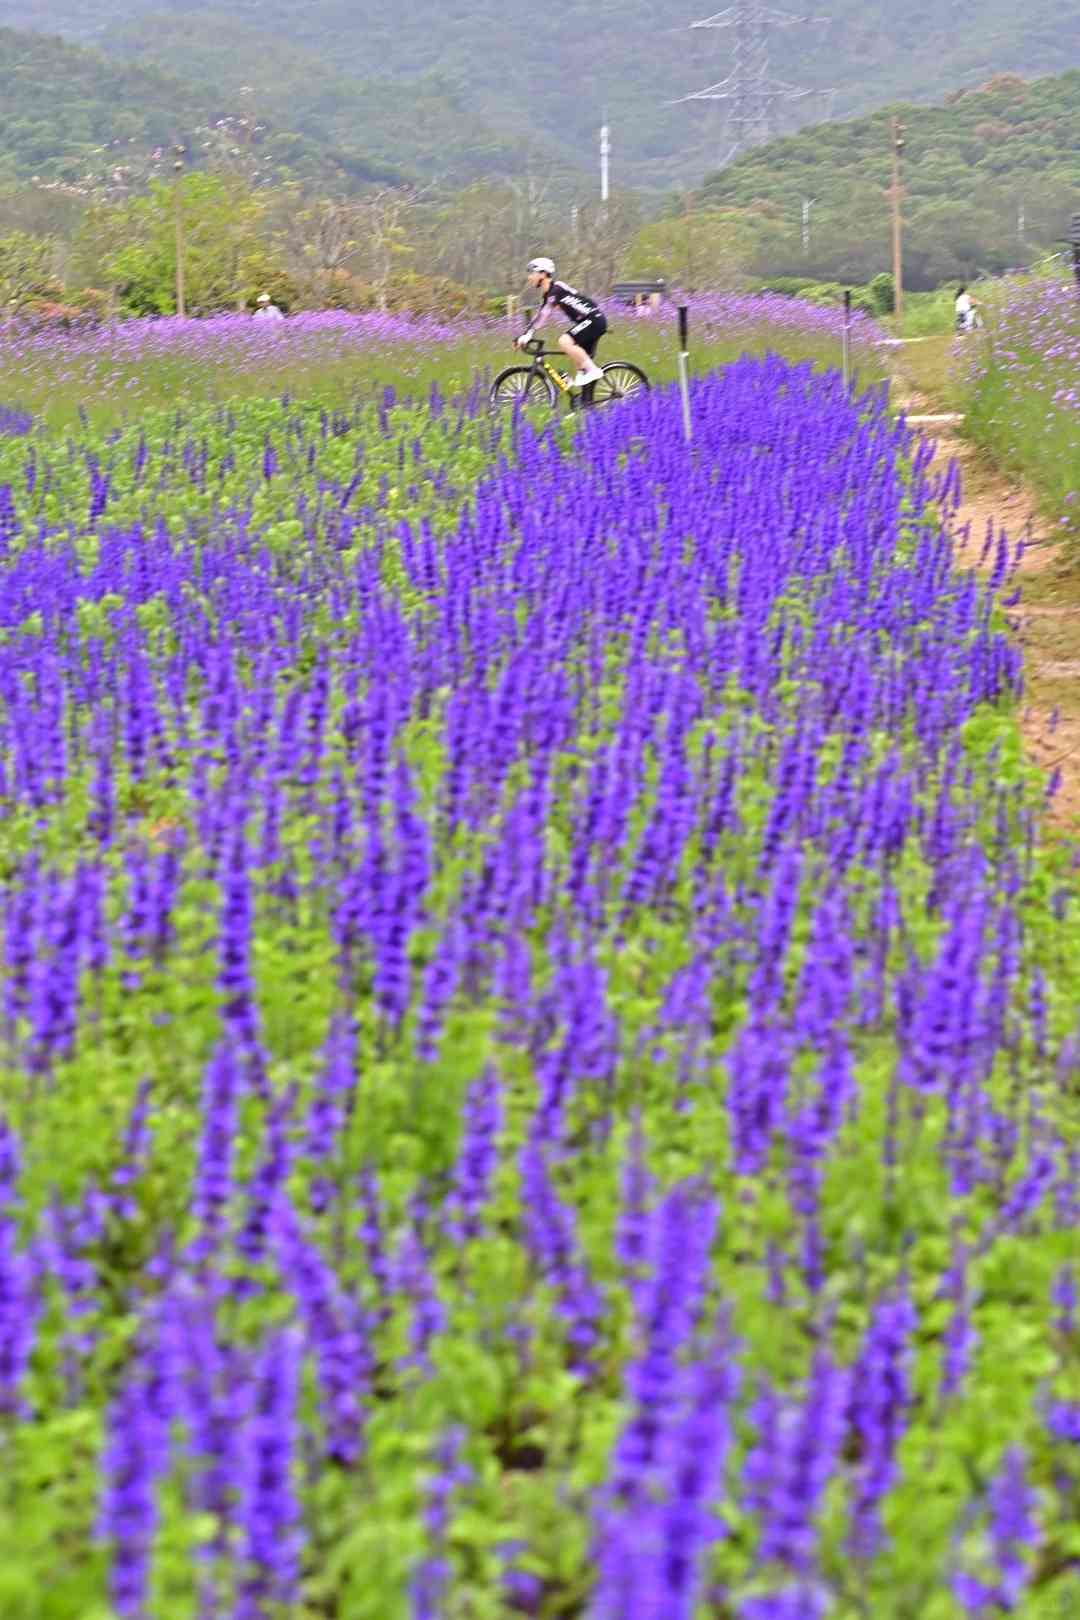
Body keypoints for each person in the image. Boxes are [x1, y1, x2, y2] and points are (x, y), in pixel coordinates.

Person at [517, 258, 606, 388]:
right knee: (579, 368)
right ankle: (582, 394)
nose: (529, 277)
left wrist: (527, 335)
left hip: (593, 320)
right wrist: (527, 334)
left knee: (564, 341)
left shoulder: (556, 290)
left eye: (532, 273)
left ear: (543, 274)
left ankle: (593, 371)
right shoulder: (551, 293)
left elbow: (542, 315)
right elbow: (542, 315)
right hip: (590, 320)